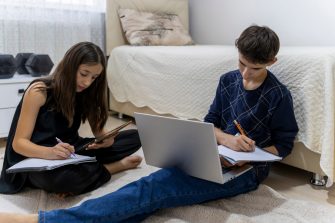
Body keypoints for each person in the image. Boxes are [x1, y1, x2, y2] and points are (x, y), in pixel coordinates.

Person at [0, 25, 298, 223]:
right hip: (213, 155)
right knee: (154, 191)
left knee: (154, 187)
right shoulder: (227, 80)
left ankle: (41, 221)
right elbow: (211, 124)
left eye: (254, 68)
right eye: (241, 63)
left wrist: (249, 154)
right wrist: (224, 140)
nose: (245, 74)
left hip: (245, 171)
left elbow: (283, 145)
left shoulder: (277, 95)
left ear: (271, 62)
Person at [0, 42, 142, 196]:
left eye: (94, 77)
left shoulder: (88, 92)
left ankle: (86, 171)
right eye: (83, 74)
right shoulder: (39, 91)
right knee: (63, 180)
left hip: (71, 150)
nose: (87, 82)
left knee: (136, 136)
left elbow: (99, 133)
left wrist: (106, 140)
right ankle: (113, 167)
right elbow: (19, 144)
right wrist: (51, 152)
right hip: (36, 156)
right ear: (70, 65)